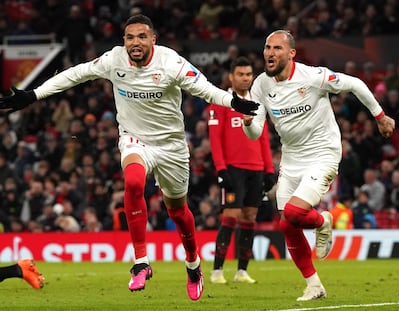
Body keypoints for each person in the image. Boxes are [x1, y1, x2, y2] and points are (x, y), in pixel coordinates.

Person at [0, 14, 259, 301]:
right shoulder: (114, 60)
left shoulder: (171, 63)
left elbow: (207, 90)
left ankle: (193, 264)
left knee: (178, 212)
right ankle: (141, 262)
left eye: (141, 37)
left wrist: (233, 102)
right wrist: (34, 95)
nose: (135, 43)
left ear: (153, 39)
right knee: (134, 182)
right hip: (135, 139)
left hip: (171, 147)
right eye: (129, 37)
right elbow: (76, 73)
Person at [242, 30, 395, 301]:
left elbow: (356, 84)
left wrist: (380, 117)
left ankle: (323, 220)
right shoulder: (261, 85)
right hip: (292, 158)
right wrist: (247, 123)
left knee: (293, 212)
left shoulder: (313, 77)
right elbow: (256, 133)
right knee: (286, 225)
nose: (269, 53)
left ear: (291, 53)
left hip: (322, 153)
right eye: (267, 47)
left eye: (277, 48)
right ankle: (314, 285)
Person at [207, 56, 275, 284]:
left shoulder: (258, 102)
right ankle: (217, 271)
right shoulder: (222, 102)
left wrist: (268, 169)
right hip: (233, 169)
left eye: (248, 74)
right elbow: (215, 139)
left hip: (256, 169)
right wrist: (220, 169)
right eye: (241, 74)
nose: (245, 78)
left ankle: (242, 271)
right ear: (231, 77)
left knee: (250, 217)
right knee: (230, 217)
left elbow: (264, 138)